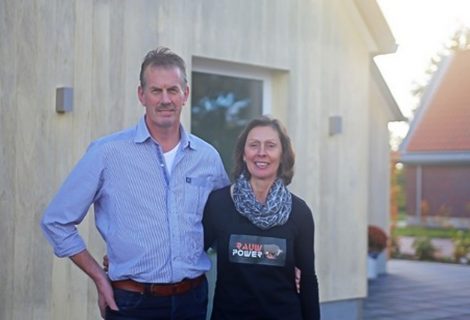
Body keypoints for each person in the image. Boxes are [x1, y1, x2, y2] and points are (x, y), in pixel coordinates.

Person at [40, 47, 229, 320]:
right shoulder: (107, 153)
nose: (165, 99)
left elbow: (227, 224)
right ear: (141, 95)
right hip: (131, 305)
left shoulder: (207, 158)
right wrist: (99, 277)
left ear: (185, 94)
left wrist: (284, 266)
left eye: (173, 90)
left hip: (193, 301)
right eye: (156, 90)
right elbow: (56, 221)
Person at [203, 116, 320, 320]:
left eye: (271, 145)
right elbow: (192, 255)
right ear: (243, 154)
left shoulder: (299, 212)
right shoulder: (218, 203)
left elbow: (308, 280)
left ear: (282, 155)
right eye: (254, 145)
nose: (261, 152)